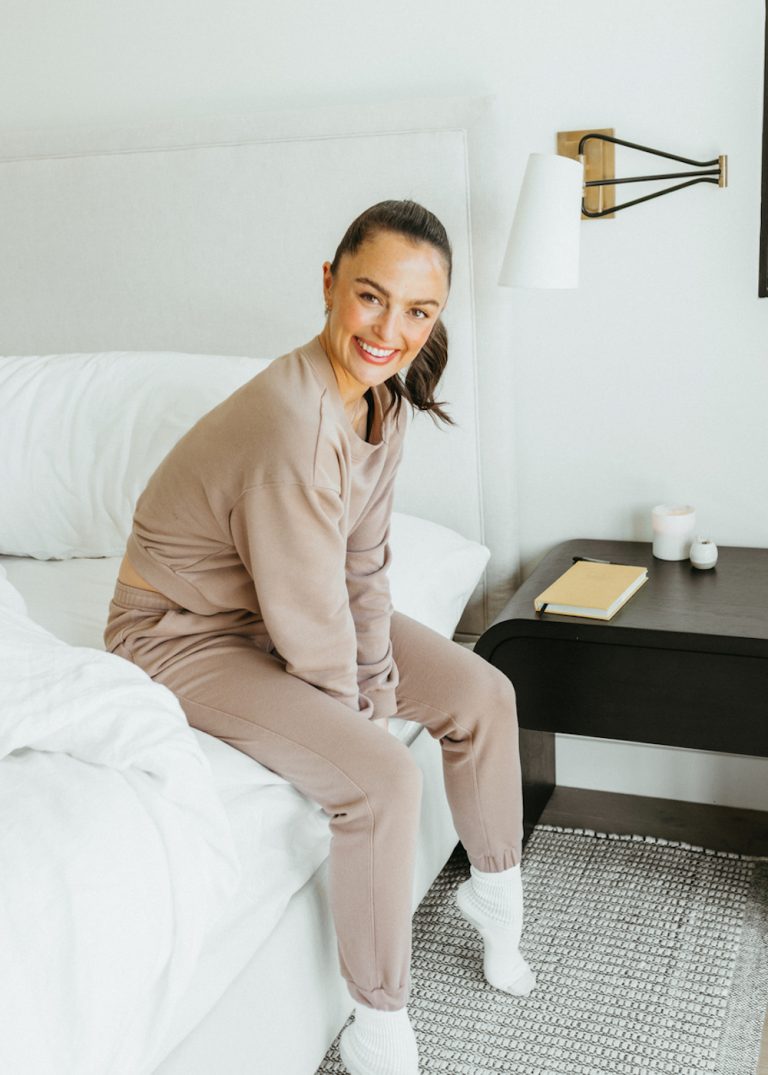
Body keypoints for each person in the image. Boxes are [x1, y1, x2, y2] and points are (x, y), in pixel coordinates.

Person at [104, 199, 535, 1075]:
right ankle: (379, 1026)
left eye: (418, 311)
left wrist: (384, 680)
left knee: (484, 693)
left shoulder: (384, 402)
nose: (391, 330)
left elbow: (363, 566)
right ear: (330, 283)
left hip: (271, 610)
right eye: (371, 297)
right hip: (179, 632)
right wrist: (363, 725)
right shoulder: (291, 424)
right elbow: (310, 624)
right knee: (377, 781)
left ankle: (495, 898)